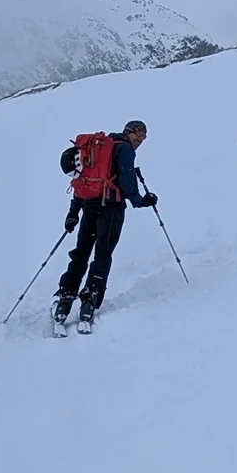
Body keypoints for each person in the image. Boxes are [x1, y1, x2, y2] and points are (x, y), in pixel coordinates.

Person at [54, 120, 158, 329]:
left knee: (81, 251)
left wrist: (73, 212)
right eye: (139, 134)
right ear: (128, 132)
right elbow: (127, 181)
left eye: (144, 137)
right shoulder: (124, 149)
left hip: (89, 205)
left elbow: (82, 180)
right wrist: (141, 201)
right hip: (111, 208)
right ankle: (90, 296)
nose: (141, 140)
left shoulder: (101, 147)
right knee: (103, 252)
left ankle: (66, 294)